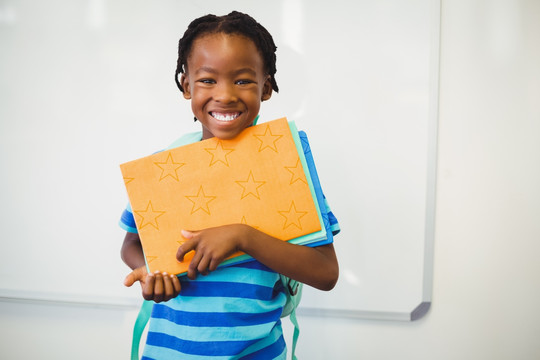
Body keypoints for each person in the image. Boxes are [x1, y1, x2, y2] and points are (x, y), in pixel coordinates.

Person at [120, 11, 340, 359]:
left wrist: (242, 236)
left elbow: (326, 273)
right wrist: (149, 271)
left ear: (266, 87)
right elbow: (132, 243)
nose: (224, 95)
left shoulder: (287, 165)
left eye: (242, 81)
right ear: (186, 86)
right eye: (207, 80)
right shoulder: (165, 168)